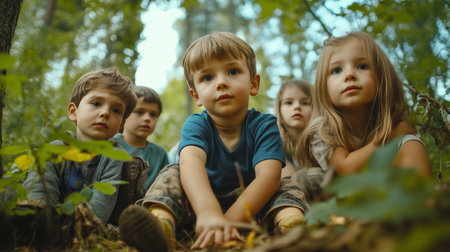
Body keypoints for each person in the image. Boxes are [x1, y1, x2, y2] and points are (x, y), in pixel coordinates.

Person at [119, 31, 308, 251]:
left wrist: (229, 221)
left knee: (286, 184)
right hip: (199, 210)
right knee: (172, 172)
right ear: (196, 96)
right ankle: (161, 227)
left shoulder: (264, 125)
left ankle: (292, 227)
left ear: (253, 83)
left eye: (233, 71)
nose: (221, 83)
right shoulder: (197, 125)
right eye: (208, 77)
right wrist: (208, 213)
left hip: (254, 209)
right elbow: (191, 164)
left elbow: (268, 176)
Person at [296, 31, 431, 186]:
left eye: (362, 66)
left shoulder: (399, 131)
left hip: (388, 200)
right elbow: (347, 168)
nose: (349, 74)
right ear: (323, 87)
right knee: (303, 177)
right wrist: (392, 136)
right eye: (336, 70)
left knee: (410, 143)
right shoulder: (322, 130)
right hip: (339, 203)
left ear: (381, 78)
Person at [23, 67, 137, 225]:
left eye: (116, 110)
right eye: (96, 103)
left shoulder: (114, 157)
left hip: (85, 229)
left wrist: (77, 226)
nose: (105, 113)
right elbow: (38, 195)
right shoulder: (54, 150)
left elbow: (101, 207)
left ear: (121, 125)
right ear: (73, 112)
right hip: (43, 224)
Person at [112, 86, 169, 193]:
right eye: (139, 112)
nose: (147, 118)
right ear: (124, 115)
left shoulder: (160, 154)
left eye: (153, 115)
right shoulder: (110, 145)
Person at [274, 79, 313, 177]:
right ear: (279, 109)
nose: (297, 107)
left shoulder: (323, 141)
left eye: (305, 103)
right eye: (289, 103)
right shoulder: (274, 142)